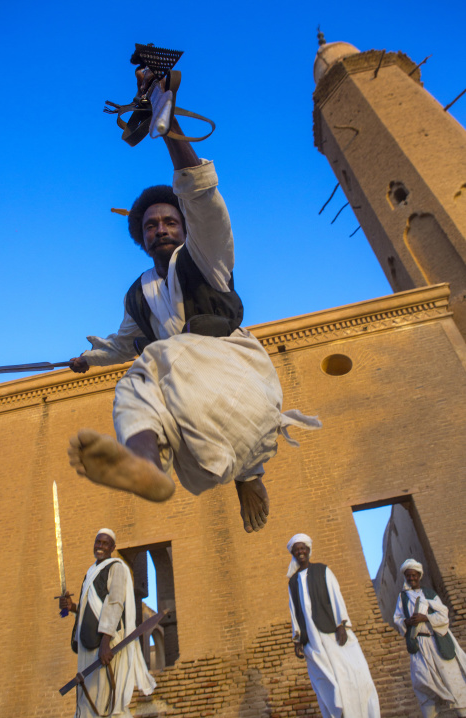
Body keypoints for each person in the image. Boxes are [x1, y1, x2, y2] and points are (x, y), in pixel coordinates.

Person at [67, 68, 321, 533]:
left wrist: (170, 129)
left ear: (184, 228)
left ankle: (236, 470)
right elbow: (122, 345)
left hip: (237, 376)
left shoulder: (207, 256)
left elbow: (202, 198)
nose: (161, 228)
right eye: (150, 225)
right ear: (141, 238)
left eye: (169, 221)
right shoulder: (138, 293)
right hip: (191, 405)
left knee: (151, 366)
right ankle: (147, 464)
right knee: (138, 381)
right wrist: (87, 359)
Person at [60, 529, 155, 718]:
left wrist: (105, 643)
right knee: (86, 697)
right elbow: (93, 609)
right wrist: (72, 608)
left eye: (105, 543)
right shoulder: (91, 572)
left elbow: (114, 603)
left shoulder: (117, 567)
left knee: (102, 695)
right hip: (88, 644)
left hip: (106, 642)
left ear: (112, 547)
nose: (100, 547)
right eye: (98, 542)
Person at [287, 533, 380, 718]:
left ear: (308, 550)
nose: (300, 552)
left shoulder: (323, 570)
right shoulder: (292, 581)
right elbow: (293, 610)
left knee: (350, 674)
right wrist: (297, 638)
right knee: (325, 681)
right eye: (297, 549)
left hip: (331, 630)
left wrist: (341, 624)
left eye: (303, 548)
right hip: (311, 639)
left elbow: (335, 596)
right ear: (294, 553)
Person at [393, 559, 466, 718]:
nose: (411, 578)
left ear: (419, 576)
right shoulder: (403, 597)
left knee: (452, 681)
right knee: (422, 683)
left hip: (436, 643)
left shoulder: (430, 594)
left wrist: (426, 618)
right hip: (419, 647)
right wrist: (407, 621)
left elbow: (443, 615)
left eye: (414, 575)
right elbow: (397, 618)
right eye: (408, 575)